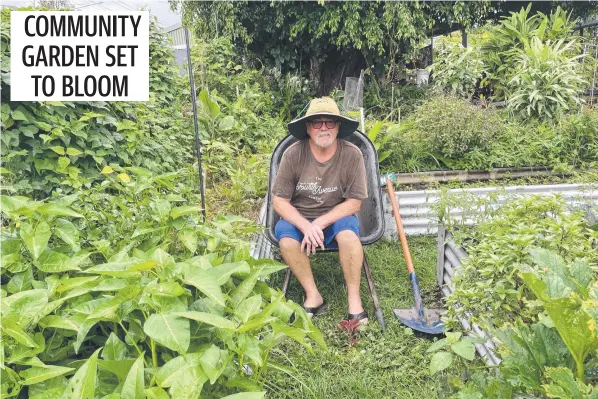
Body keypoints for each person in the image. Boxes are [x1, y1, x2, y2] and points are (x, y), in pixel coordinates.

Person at [271, 96, 369, 325]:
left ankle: (354, 301)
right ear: (308, 127)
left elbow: (354, 203)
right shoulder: (293, 154)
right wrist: (306, 225)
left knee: (349, 236)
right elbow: (279, 201)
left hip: (337, 214)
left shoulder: (352, 154)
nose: (324, 127)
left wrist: (320, 223)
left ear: (338, 127)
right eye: (317, 122)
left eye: (330, 122)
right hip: (299, 215)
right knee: (286, 241)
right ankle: (313, 295)